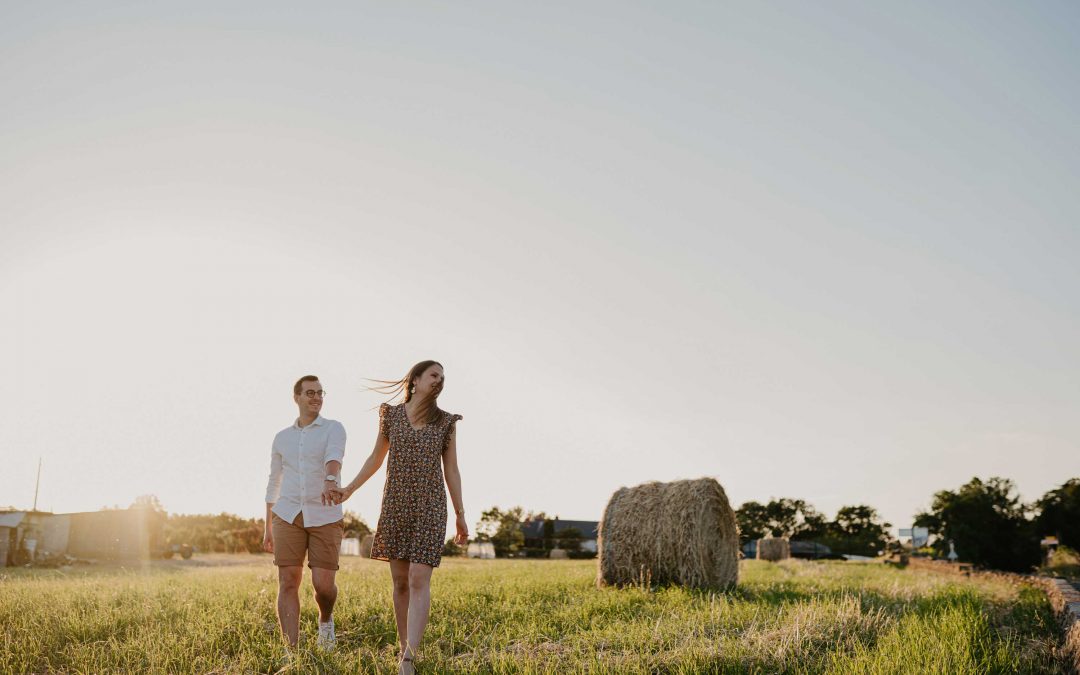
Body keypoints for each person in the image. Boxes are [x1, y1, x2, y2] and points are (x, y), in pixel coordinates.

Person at [331, 360, 468, 675]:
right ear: (415, 380)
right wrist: (349, 488)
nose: (439, 380)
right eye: (434, 374)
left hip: (431, 505)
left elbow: (452, 469)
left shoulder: (446, 422)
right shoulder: (391, 415)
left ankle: (409, 660)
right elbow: (376, 458)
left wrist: (460, 513)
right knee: (400, 582)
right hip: (396, 503)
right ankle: (404, 645)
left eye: (443, 377)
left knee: (419, 578)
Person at [263, 375, 346, 651]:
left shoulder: (333, 428)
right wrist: (268, 526)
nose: (316, 397)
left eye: (321, 392)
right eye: (310, 392)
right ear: (296, 397)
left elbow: (333, 457)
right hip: (287, 515)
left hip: (325, 514)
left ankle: (326, 620)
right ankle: (291, 650)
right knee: (288, 581)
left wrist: (330, 480)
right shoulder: (281, 438)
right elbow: (274, 482)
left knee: (323, 586)